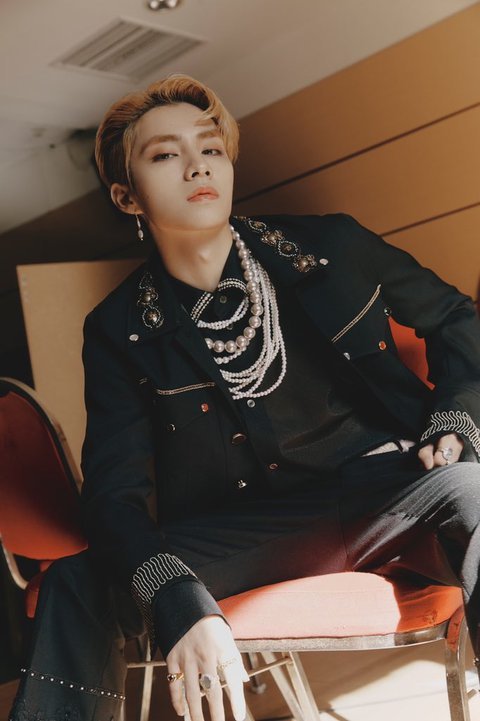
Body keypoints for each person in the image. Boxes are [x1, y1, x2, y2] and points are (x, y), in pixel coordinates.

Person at [9, 74, 480, 721]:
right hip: (253, 525)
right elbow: (114, 498)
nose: (197, 164)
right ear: (126, 196)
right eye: (165, 154)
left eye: (210, 147)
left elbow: (457, 319)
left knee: (473, 487)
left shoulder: (332, 248)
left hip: (392, 489)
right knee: (76, 579)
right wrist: (174, 592)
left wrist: (454, 417)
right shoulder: (119, 329)